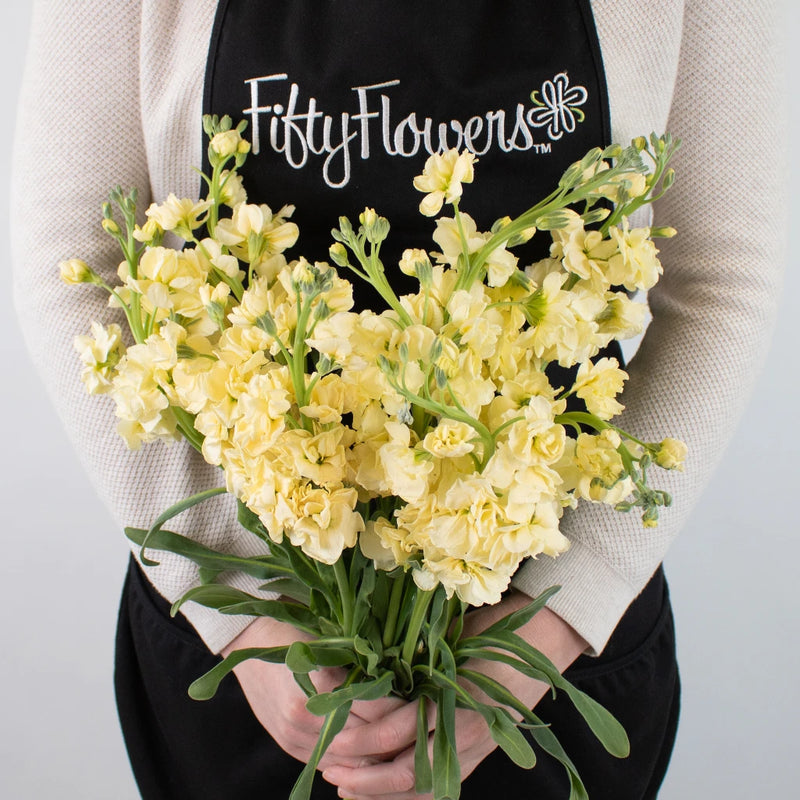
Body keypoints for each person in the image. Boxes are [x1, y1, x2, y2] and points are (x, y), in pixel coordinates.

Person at [11, 1, 784, 798]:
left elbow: (722, 283)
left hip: (545, 658)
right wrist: (244, 615)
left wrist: (557, 615)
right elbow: (72, 260)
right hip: (251, 669)